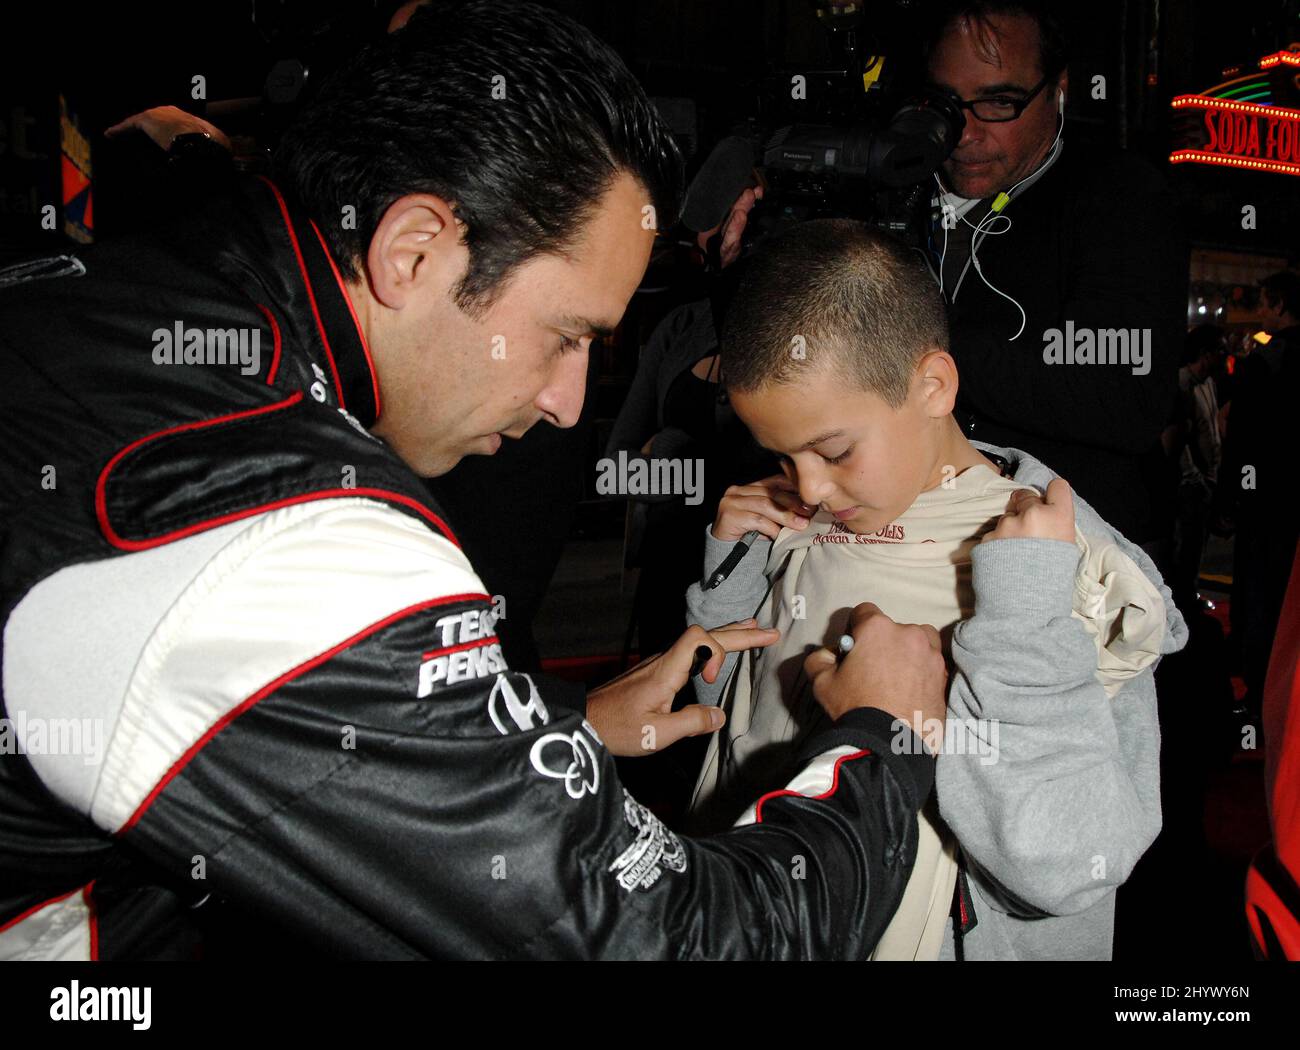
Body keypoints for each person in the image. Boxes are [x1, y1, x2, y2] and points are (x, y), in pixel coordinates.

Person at [0, 0, 948, 961]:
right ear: (414, 250)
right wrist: (883, 737)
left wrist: (544, 732)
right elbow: (684, 946)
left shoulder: (124, 293)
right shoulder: (282, 524)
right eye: (566, 336)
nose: (569, 402)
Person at [685, 220, 1186, 960]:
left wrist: (1019, 625)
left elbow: (1078, 860)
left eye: (833, 451)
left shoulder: (1062, 568)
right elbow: (721, 727)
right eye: (783, 457)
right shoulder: (801, 519)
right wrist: (731, 579)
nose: (812, 489)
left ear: (933, 386)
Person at [1215, 271, 1300, 722]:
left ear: (1280, 305)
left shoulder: (1265, 363)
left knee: (1261, 597)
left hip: (1265, 501)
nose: (1261, 312)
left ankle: (1258, 697)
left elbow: (1241, 438)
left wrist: (1226, 501)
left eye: (1266, 304)